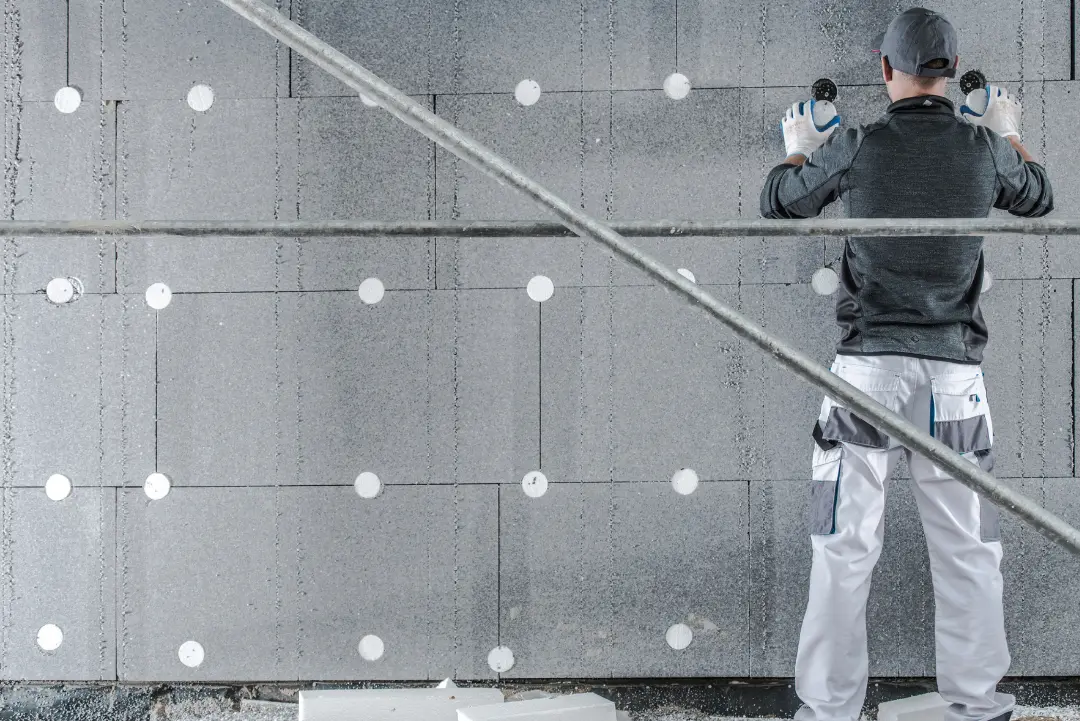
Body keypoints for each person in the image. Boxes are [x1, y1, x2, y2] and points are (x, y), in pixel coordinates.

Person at [757, 8, 1054, 721]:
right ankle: (977, 705)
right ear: (950, 72)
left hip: (866, 378)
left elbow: (778, 203)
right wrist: (1006, 129)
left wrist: (801, 148)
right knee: (969, 549)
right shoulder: (985, 149)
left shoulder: (858, 144)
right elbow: (1039, 197)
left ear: (886, 68)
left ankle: (827, 711)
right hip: (954, 384)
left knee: (842, 547)